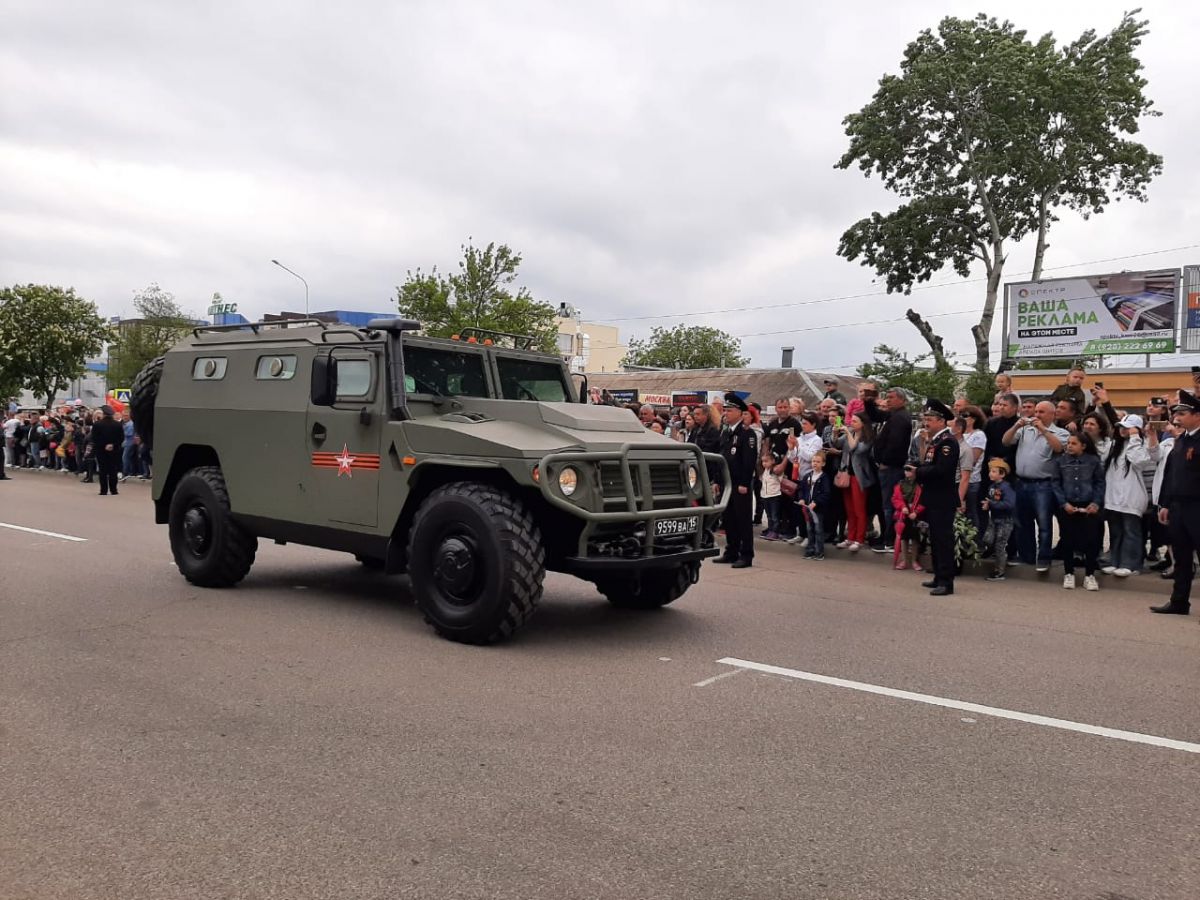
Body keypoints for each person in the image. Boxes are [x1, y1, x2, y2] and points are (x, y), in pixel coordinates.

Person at [1003, 400, 1069, 572]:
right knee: (1022, 522)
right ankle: (1027, 556)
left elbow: (1058, 448)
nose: (1037, 415)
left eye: (1041, 412)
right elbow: (1006, 441)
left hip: (1043, 485)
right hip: (1022, 482)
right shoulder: (1025, 429)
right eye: (1036, 411)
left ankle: (1044, 558)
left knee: (1044, 523)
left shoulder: (1060, 432)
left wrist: (1043, 430)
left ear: (1052, 415)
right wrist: (1016, 426)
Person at [1153, 390, 1200, 615]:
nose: (1178, 417)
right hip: (1179, 508)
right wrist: (1164, 504)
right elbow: (1170, 475)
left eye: (1184, 412)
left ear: (1197, 415)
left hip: (1197, 508)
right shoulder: (1182, 441)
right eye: (1177, 412)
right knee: (1181, 559)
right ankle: (1179, 602)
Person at [915, 399, 959, 596]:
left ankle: (946, 581)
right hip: (933, 497)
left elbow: (943, 470)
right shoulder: (936, 441)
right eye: (925, 419)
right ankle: (938, 576)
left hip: (943, 498)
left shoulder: (948, 442)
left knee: (943, 540)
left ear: (941, 421)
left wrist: (918, 472)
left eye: (930, 419)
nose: (926, 423)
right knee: (935, 538)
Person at [863, 386, 913, 553]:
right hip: (886, 467)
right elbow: (876, 415)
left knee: (889, 505)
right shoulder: (893, 415)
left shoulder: (901, 418)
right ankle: (887, 536)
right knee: (885, 504)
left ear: (901, 399)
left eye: (891, 397)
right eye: (887, 397)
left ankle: (889, 539)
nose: (888, 400)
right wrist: (869, 401)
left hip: (891, 468)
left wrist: (884, 461)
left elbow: (895, 444)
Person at [1053, 432, 1106, 591]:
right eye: (1068, 443)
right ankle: (1069, 573)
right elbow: (1056, 484)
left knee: (1090, 540)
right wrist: (1063, 503)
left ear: (1083, 446)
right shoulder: (1060, 461)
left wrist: (1096, 503)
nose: (1069, 446)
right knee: (1068, 539)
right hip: (1068, 505)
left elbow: (1099, 483)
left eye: (1074, 443)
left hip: (1088, 505)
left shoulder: (1093, 461)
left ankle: (1089, 575)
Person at [1101, 414, 1151, 577]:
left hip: (1131, 497)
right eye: (1121, 427)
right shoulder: (1115, 445)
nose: (1123, 430)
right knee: (1116, 531)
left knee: (1131, 531)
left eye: (1127, 427)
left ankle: (1131, 564)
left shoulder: (1142, 445)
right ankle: (1115, 561)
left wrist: (1135, 437)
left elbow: (1139, 461)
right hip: (1113, 497)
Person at [714, 393, 757, 569]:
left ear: (740, 412)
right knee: (729, 519)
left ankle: (746, 555)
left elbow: (749, 461)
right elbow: (721, 458)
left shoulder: (747, 434)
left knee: (743, 520)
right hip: (726, 483)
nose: (726, 413)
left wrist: (745, 484)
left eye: (729, 410)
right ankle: (731, 552)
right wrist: (717, 480)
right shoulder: (726, 432)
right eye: (724, 410)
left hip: (739, 484)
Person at [833, 413, 875, 552]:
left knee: (859, 509)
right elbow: (837, 444)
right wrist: (835, 434)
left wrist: (848, 434)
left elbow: (856, 449)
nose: (852, 423)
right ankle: (850, 537)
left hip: (859, 476)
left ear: (863, 423)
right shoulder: (849, 432)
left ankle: (859, 539)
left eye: (855, 421)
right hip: (846, 474)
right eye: (851, 420)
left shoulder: (867, 437)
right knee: (849, 509)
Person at [784, 413, 824, 545]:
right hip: (797, 476)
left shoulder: (817, 440)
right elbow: (793, 458)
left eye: (806, 423)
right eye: (802, 423)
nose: (803, 426)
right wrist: (791, 449)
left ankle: (809, 535)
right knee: (797, 507)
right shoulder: (800, 438)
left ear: (813, 425)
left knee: (807, 509)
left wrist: (798, 446)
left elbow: (810, 457)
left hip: (809, 478)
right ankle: (800, 533)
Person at [981, 460, 1016, 581]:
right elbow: (991, 500)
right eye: (990, 471)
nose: (990, 473)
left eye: (994, 471)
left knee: (1000, 545)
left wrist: (992, 504)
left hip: (1004, 520)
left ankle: (999, 571)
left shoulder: (1006, 488)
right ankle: (994, 556)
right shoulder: (991, 487)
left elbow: (1009, 504)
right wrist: (987, 504)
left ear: (1002, 474)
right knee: (988, 539)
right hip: (994, 519)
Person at [891, 462, 925, 571]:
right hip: (903, 515)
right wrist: (902, 507)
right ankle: (904, 560)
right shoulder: (900, 484)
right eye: (905, 469)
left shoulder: (920, 485)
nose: (906, 472)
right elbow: (895, 498)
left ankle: (914, 560)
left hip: (915, 515)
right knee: (903, 538)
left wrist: (916, 512)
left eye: (909, 469)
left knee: (915, 538)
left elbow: (924, 501)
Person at [798, 450, 831, 560]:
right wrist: (802, 499)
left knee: (818, 530)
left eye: (818, 461)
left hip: (818, 510)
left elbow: (826, 494)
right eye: (813, 461)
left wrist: (816, 502)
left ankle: (819, 552)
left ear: (823, 464)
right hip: (808, 509)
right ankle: (810, 550)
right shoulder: (807, 476)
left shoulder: (824, 478)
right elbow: (801, 490)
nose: (815, 463)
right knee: (809, 529)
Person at [690, 404, 723, 499]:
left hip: (708, 468)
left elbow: (709, 449)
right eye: (694, 414)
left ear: (706, 415)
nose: (695, 416)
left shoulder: (712, 430)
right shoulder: (695, 429)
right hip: (695, 466)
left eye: (698, 414)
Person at [91, 405, 124, 496]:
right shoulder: (117, 425)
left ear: (104, 414)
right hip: (114, 450)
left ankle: (103, 490)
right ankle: (114, 490)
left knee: (103, 470)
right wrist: (113, 445)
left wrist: (104, 445)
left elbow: (94, 438)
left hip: (101, 450)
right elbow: (121, 438)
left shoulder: (97, 424)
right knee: (113, 470)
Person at [759, 444, 783, 540]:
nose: (764, 463)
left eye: (766, 461)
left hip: (774, 496)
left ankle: (775, 532)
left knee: (774, 515)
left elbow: (781, 480)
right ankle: (770, 529)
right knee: (769, 515)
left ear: (773, 461)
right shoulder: (764, 471)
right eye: (763, 461)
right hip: (765, 496)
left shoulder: (775, 471)